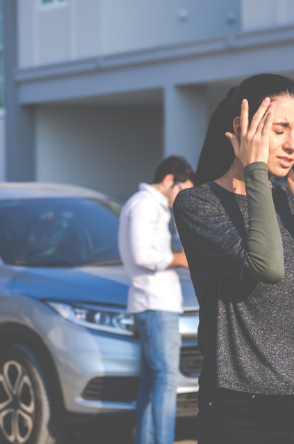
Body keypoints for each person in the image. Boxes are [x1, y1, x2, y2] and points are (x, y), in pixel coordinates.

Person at [172, 74, 294, 444]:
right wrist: (256, 171)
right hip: (241, 408)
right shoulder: (198, 204)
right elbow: (267, 267)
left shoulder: (293, 204)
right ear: (244, 129)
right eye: (279, 130)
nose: (293, 144)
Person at [118, 156, 195, 444]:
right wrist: (178, 259)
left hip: (152, 303)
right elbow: (142, 255)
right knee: (165, 380)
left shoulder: (146, 204)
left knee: (153, 381)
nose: (184, 198)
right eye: (183, 190)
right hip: (155, 303)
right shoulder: (146, 204)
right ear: (168, 180)